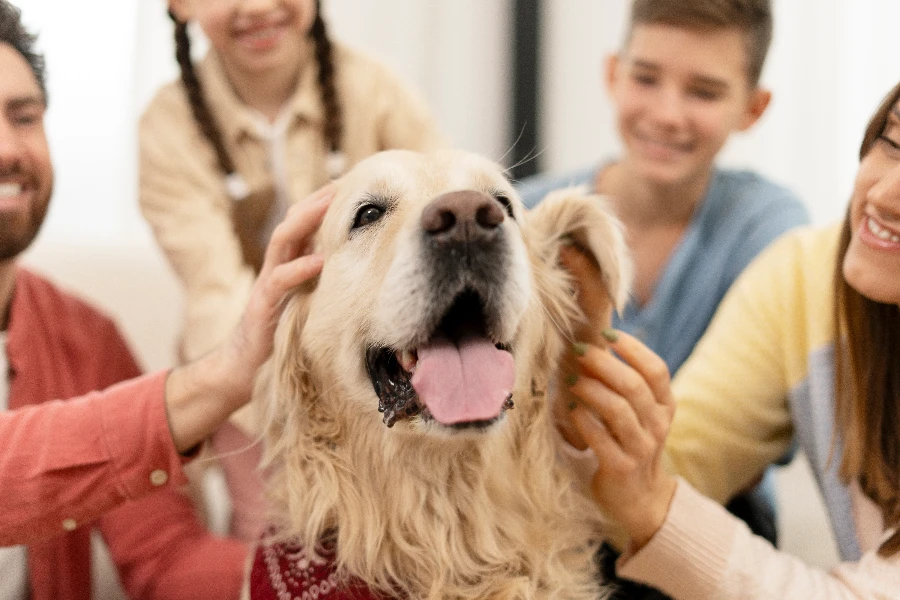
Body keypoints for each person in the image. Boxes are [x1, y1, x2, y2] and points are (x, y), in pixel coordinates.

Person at [0, 3, 331, 597]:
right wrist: (222, 377)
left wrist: (338, 579)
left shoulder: (85, 338)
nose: (7, 150)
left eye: (23, 117)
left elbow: (164, 559)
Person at [559, 78, 900, 598]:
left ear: (754, 106)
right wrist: (591, 436)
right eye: (892, 143)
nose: (883, 195)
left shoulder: (764, 216)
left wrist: (651, 506)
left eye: (705, 91)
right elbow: (677, 465)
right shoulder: (803, 276)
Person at [140, 0, 446, 541]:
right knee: (277, 540)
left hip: (377, 369)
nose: (256, 7)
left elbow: (438, 222)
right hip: (247, 392)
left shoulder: (375, 91)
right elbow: (219, 299)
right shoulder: (168, 125)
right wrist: (288, 414)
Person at [518, 0, 808, 548]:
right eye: (646, 78)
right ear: (612, 74)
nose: (668, 113)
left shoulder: (769, 229)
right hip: (543, 509)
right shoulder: (529, 215)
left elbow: (747, 448)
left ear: (753, 107)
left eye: (703, 92)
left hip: (710, 516)